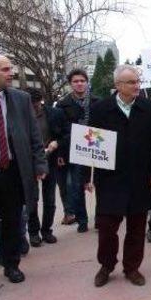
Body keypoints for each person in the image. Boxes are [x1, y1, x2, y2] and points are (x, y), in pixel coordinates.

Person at [87, 65, 151, 287]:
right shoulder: (101, 109)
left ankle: (132, 267)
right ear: (118, 86)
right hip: (109, 178)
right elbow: (90, 141)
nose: (136, 86)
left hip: (140, 178)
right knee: (106, 227)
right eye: (131, 82)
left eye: (137, 81)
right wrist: (88, 176)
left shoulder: (150, 108)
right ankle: (106, 265)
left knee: (137, 227)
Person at [0, 54, 47, 300]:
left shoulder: (20, 99)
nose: (11, 73)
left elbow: (34, 135)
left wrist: (39, 164)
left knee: (12, 220)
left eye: (11, 69)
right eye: (5, 69)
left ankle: (12, 265)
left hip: (14, 170)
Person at [56, 68, 99, 232]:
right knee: (76, 186)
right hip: (75, 150)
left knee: (99, 183)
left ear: (87, 82)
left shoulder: (98, 101)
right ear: (70, 84)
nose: (79, 84)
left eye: (82, 80)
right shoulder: (62, 104)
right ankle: (82, 220)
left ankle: (100, 218)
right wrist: (61, 153)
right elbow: (59, 130)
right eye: (76, 81)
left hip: (97, 146)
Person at [26, 88, 70, 247]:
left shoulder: (55, 114)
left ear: (41, 101)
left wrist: (56, 143)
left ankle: (46, 230)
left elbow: (66, 133)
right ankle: (33, 232)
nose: (34, 109)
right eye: (30, 106)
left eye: (36, 106)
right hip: (29, 162)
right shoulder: (20, 116)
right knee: (32, 198)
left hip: (50, 160)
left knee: (50, 198)